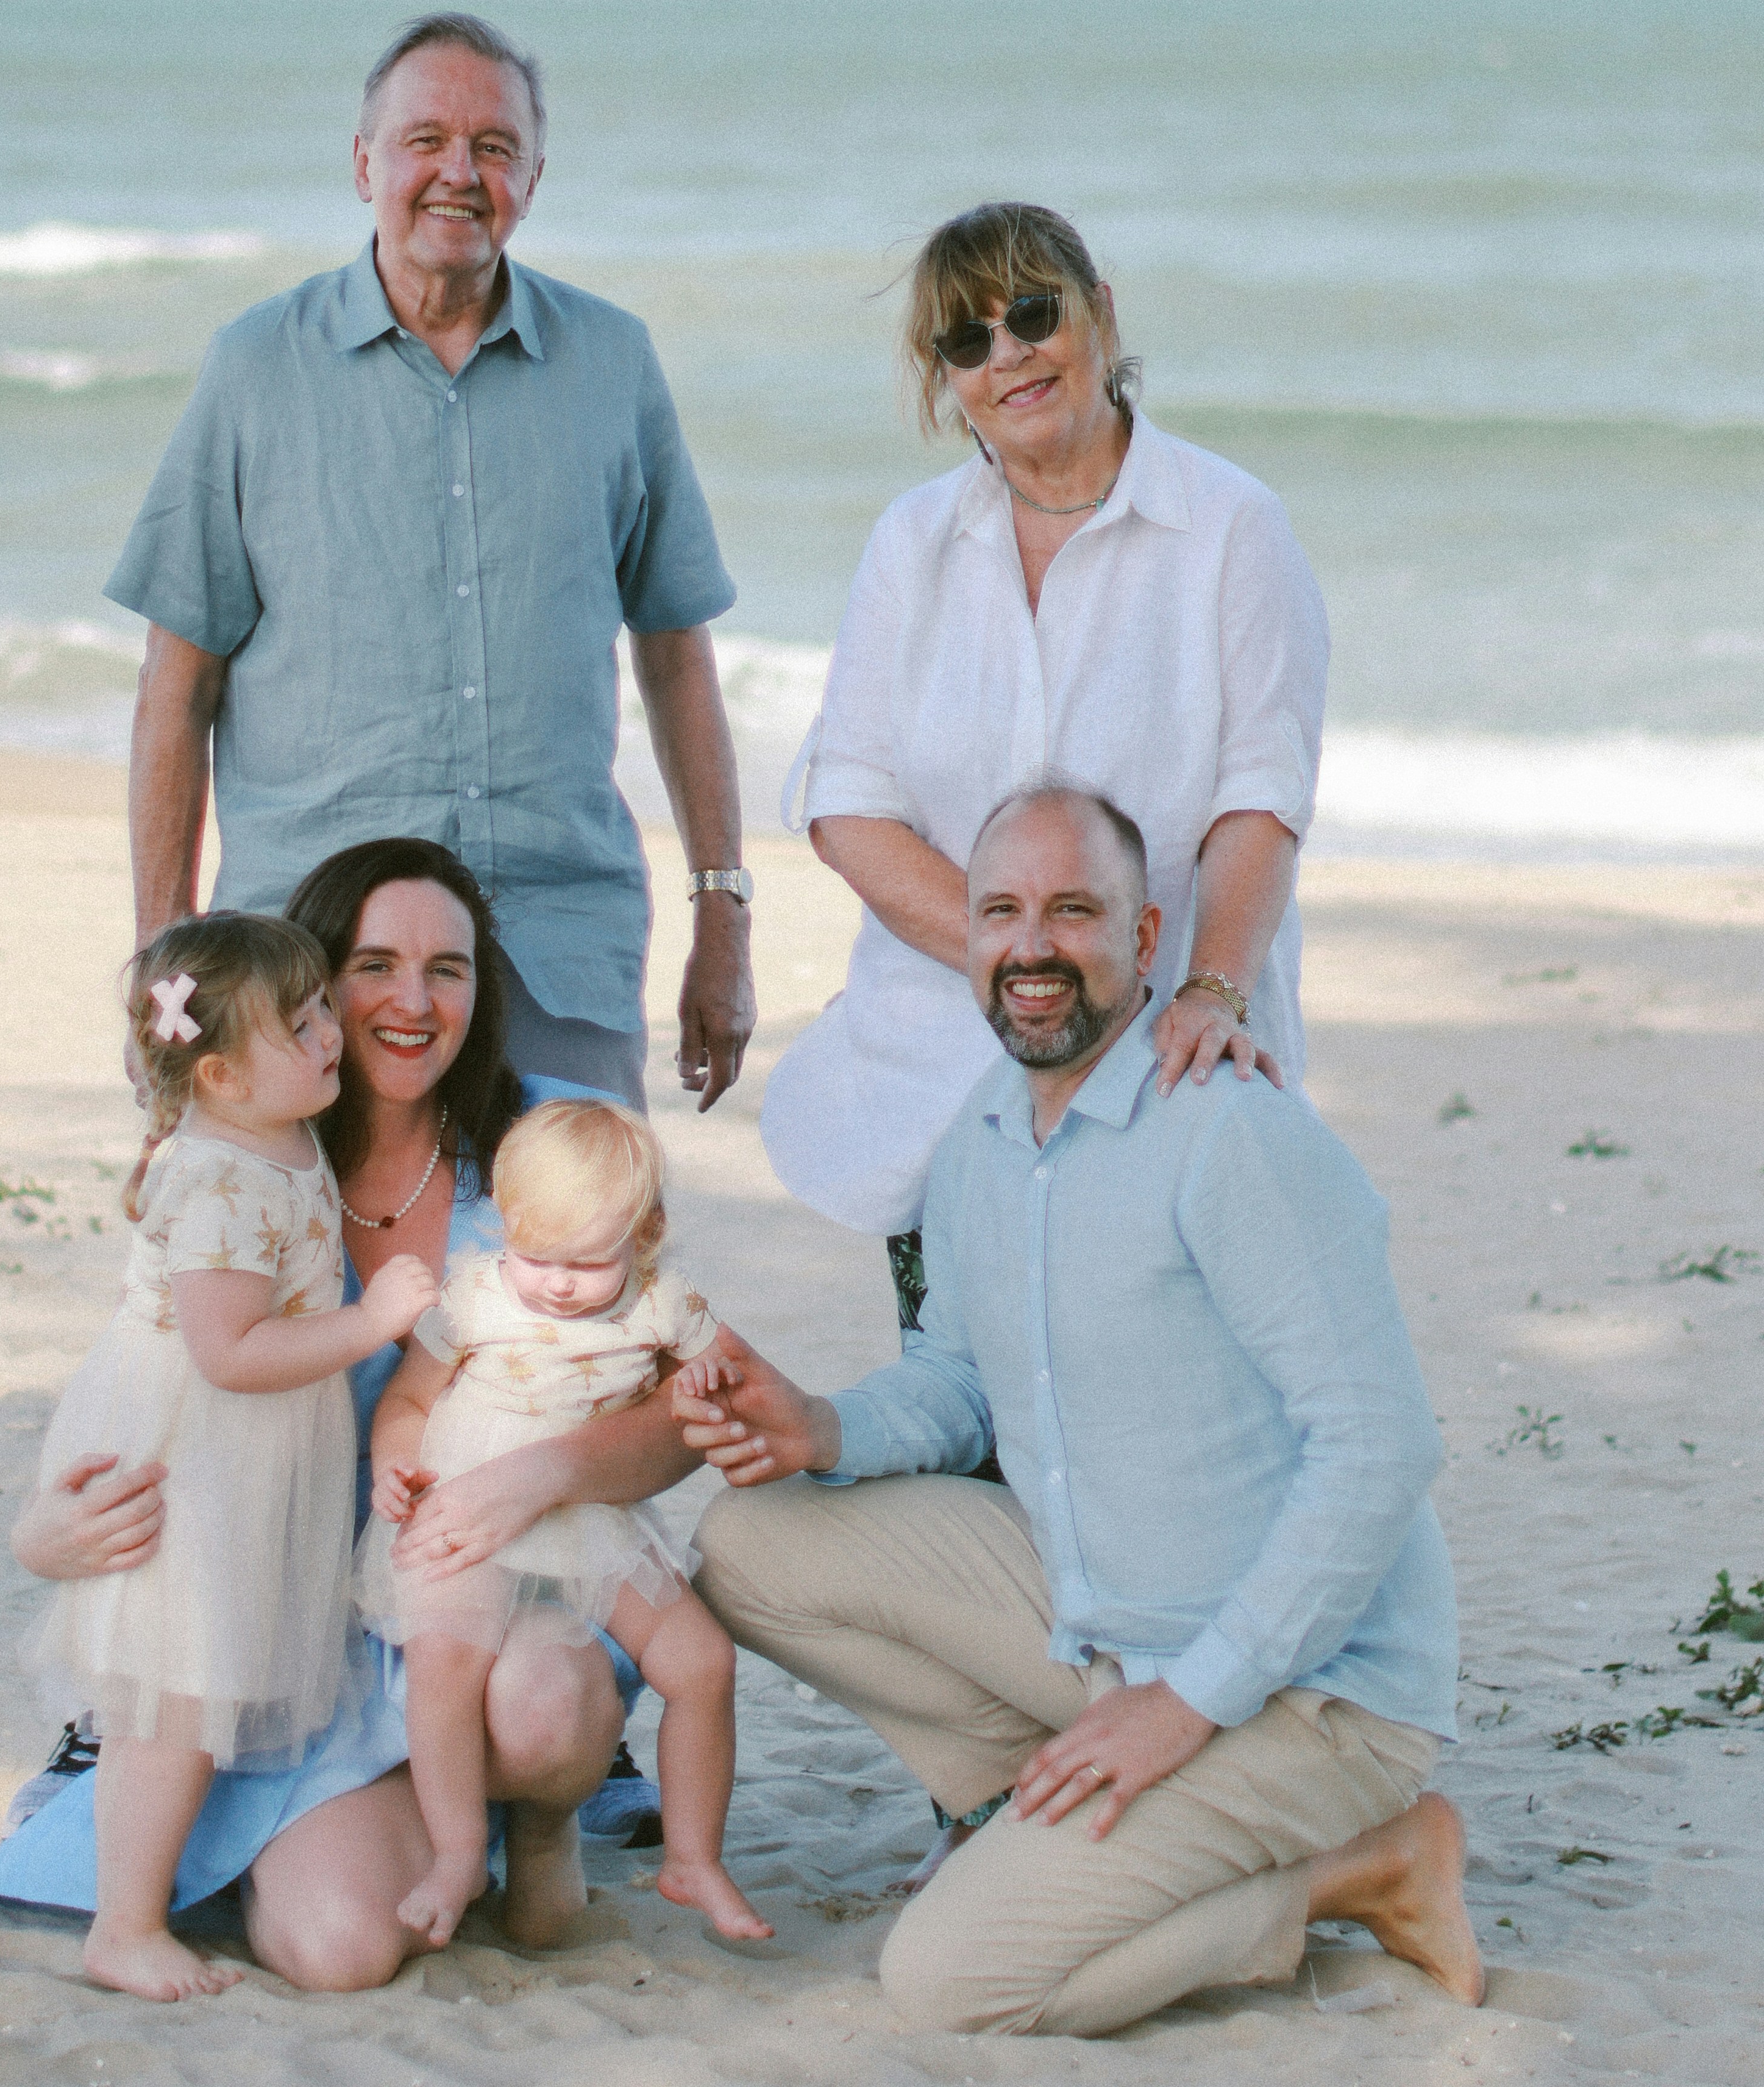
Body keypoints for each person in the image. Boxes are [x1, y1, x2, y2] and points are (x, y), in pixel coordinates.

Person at [683, 783, 1482, 2038]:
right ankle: (1041, 1803)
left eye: (1074, 911)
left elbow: (1381, 1447)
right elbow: (956, 1380)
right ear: (969, 936)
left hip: (1312, 1696)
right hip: (1105, 1628)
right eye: (1000, 911)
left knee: (948, 1983)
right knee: (749, 1543)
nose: (1032, 945)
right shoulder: (983, 1138)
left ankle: (1371, 1864)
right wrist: (817, 1427)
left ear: (1148, 938)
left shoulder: (1230, 1136)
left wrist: (1188, 1704)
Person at [0, 838, 710, 1988]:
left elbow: (681, 1397)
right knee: (338, 1951)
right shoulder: (251, 1153)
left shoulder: (551, 1139)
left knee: (547, 1702)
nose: (413, 1002)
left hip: (490, 1599)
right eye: (374, 965)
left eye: (450, 969)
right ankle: (352, 1826)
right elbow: (157, 1387)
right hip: (289, 1626)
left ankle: (540, 1822)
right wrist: (43, 1537)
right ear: (312, 987)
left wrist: (543, 1473)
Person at [110, 12, 756, 1113]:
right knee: (302, 1284)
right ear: (365, 162)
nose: (459, 173)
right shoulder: (256, 369)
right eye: (425, 141)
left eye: (494, 148)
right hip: (300, 961)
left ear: (533, 178)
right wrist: (168, 959)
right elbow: (179, 690)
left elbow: (678, 662)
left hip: (556, 946)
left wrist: (722, 921)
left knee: (577, 1276)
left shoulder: (614, 364)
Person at [762, 199, 1329, 1326]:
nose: (1007, 354)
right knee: (966, 1416)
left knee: (1150, 1417)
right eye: (966, 340)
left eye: (1031, 312)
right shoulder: (909, 544)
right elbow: (850, 807)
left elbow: (1262, 795)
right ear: (947, 378)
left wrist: (1197, 993)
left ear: (1099, 314)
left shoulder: (1233, 528)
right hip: (941, 1081)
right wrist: (1031, 972)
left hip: (1171, 1064)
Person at [24, 913, 435, 2000]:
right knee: (174, 1698)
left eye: (317, 1012)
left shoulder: (276, 1135)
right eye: (299, 1026)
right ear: (220, 1074)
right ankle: (126, 1923)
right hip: (197, 1456)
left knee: (203, 1691)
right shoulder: (220, 1179)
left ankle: (186, 1883)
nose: (329, 1035)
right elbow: (229, 1352)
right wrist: (372, 1321)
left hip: (247, 1455)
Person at [360, 1101, 770, 1949]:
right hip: (470, 1500)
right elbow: (408, 1397)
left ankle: (694, 1855)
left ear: (646, 1233)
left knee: (702, 1661)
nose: (554, 1283)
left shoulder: (663, 1304)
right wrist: (395, 1464)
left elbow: (720, 1376)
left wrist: (697, 1387)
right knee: (445, 1662)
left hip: (587, 1514)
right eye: (535, 1255)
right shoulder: (476, 1295)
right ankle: (458, 1852)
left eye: (587, 1264)